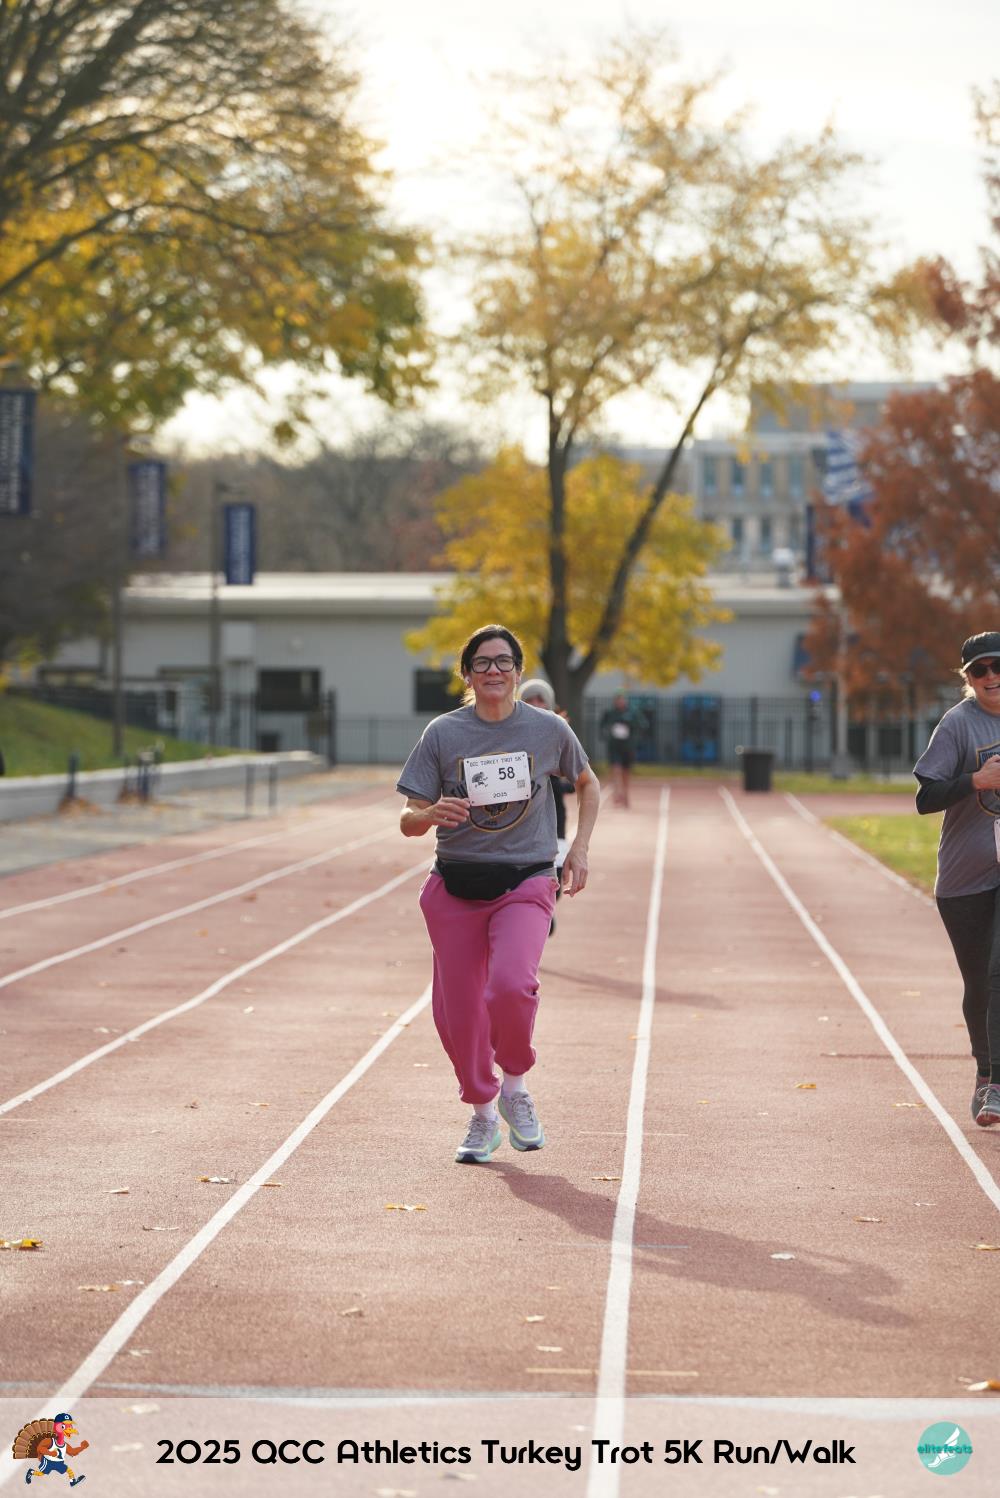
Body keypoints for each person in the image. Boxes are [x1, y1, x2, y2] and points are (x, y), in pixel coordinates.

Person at [398, 625, 601, 1163]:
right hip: (456, 884)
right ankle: (484, 1114)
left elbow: (588, 783)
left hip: (526, 879)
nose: (494, 670)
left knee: (511, 985)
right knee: (459, 1013)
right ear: (467, 674)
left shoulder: (547, 729)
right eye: (482, 663)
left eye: (504, 661)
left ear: (518, 671)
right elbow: (407, 820)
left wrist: (578, 849)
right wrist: (428, 813)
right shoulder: (443, 733)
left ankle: (514, 1085)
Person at [914, 631, 1000, 1127]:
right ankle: (986, 1072)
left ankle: (997, 1085)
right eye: (980, 670)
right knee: (980, 982)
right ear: (968, 678)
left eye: (998, 667)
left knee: (999, 970)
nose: (991, 676)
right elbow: (926, 798)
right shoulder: (957, 724)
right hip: (966, 877)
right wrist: (976, 781)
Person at [600, 692, 646, 807]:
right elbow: (602, 726)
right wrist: (606, 735)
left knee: (626, 771)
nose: (620, 702)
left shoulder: (632, 713)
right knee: (615, 769)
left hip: (627, 747)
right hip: (614, 746)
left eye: (622, 700)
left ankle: (625, 795)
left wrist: (634, 734)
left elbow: (643, 724)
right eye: (618, 700)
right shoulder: (610, 713)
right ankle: (617, 794)